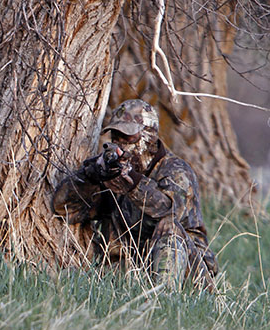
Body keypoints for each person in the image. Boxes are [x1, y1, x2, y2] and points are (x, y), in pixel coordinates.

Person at [52, 99, 217, 287]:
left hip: (188, 273)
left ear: (149, 136)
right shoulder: (114, 173)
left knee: (170, 227)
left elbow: (170, 212)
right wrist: (90, 176)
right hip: (132, 270)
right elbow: (65, 209)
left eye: (127, 138)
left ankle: (165, 300)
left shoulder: (177, 171)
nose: (120, 144)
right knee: (68, 277)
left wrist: (133, 183)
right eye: (115, 137)